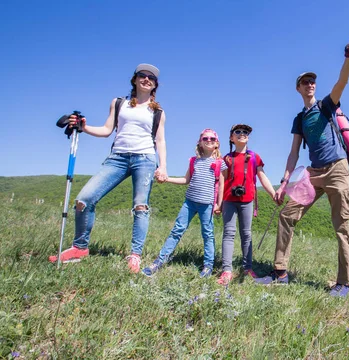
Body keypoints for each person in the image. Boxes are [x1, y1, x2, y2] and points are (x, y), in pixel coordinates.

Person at [255, 21, 349, 298]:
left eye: (312, 81)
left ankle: (344, 283)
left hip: (338, 169)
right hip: (313, 174)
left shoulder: (327, 105)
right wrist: (283, 182)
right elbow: (294, 152)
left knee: (342, 226)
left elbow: (342, 81)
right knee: (287, 215)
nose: (310, 84)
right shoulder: (299, 119)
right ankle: (280, 272)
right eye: (305, 82)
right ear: (298, 88)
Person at [49, 63, 168, 273]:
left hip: (145, 158)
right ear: (135, 79)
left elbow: (160, 140)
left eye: (151, 78)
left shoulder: (157, 112)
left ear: (155, 85)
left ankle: (135, 254)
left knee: (141, 207)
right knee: (84, 199)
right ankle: (79, 247)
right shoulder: (119, 103)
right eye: (142, 75)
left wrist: (163, 167)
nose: (146, 79)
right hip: (117, 157)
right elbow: (106, 130)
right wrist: (83, 127)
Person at [142, 129, 226, 277]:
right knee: (177, 230)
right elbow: (186, 180)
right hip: (189, 202)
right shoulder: (194, 161)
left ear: (217, 144)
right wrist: (167, 179)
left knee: (208, 234)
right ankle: (159, 261)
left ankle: (208, 266)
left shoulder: (220, 163)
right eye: (205, 138)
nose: (208, 140)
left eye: (212, 138)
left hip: (207, 204)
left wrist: (219, 204)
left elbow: (222, 185)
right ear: (199, 142)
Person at [217, 124, 277, 285]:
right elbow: (221, 181)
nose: (242, 134)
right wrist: (219, 202)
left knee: (246, 234)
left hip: (247, 200)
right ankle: (227, 270)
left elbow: (262, 177)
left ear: (248, 137)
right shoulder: (227, 158)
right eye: (238, 132)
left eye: (245, 132)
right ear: (231, 137)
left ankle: (247, 268)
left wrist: (273, 193)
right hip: (229, 200)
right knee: (228, 234)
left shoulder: (254, 157)